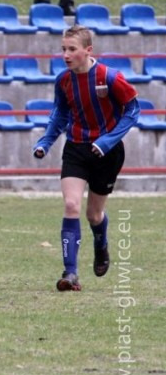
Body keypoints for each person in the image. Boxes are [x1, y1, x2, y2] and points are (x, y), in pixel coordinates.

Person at [33, 25, 140, 292]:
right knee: (71, 205)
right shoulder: (63, 80)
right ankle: (70, 274)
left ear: (88, 50)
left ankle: (101, 244)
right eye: (63, 49)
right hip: (76, 148)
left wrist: (107, 141)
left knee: (94, 214)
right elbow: (60, 114)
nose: (66, 55)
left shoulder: (109, 77)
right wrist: (45, 142)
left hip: (108, 152)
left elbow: (132, 111)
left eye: (72, 49)